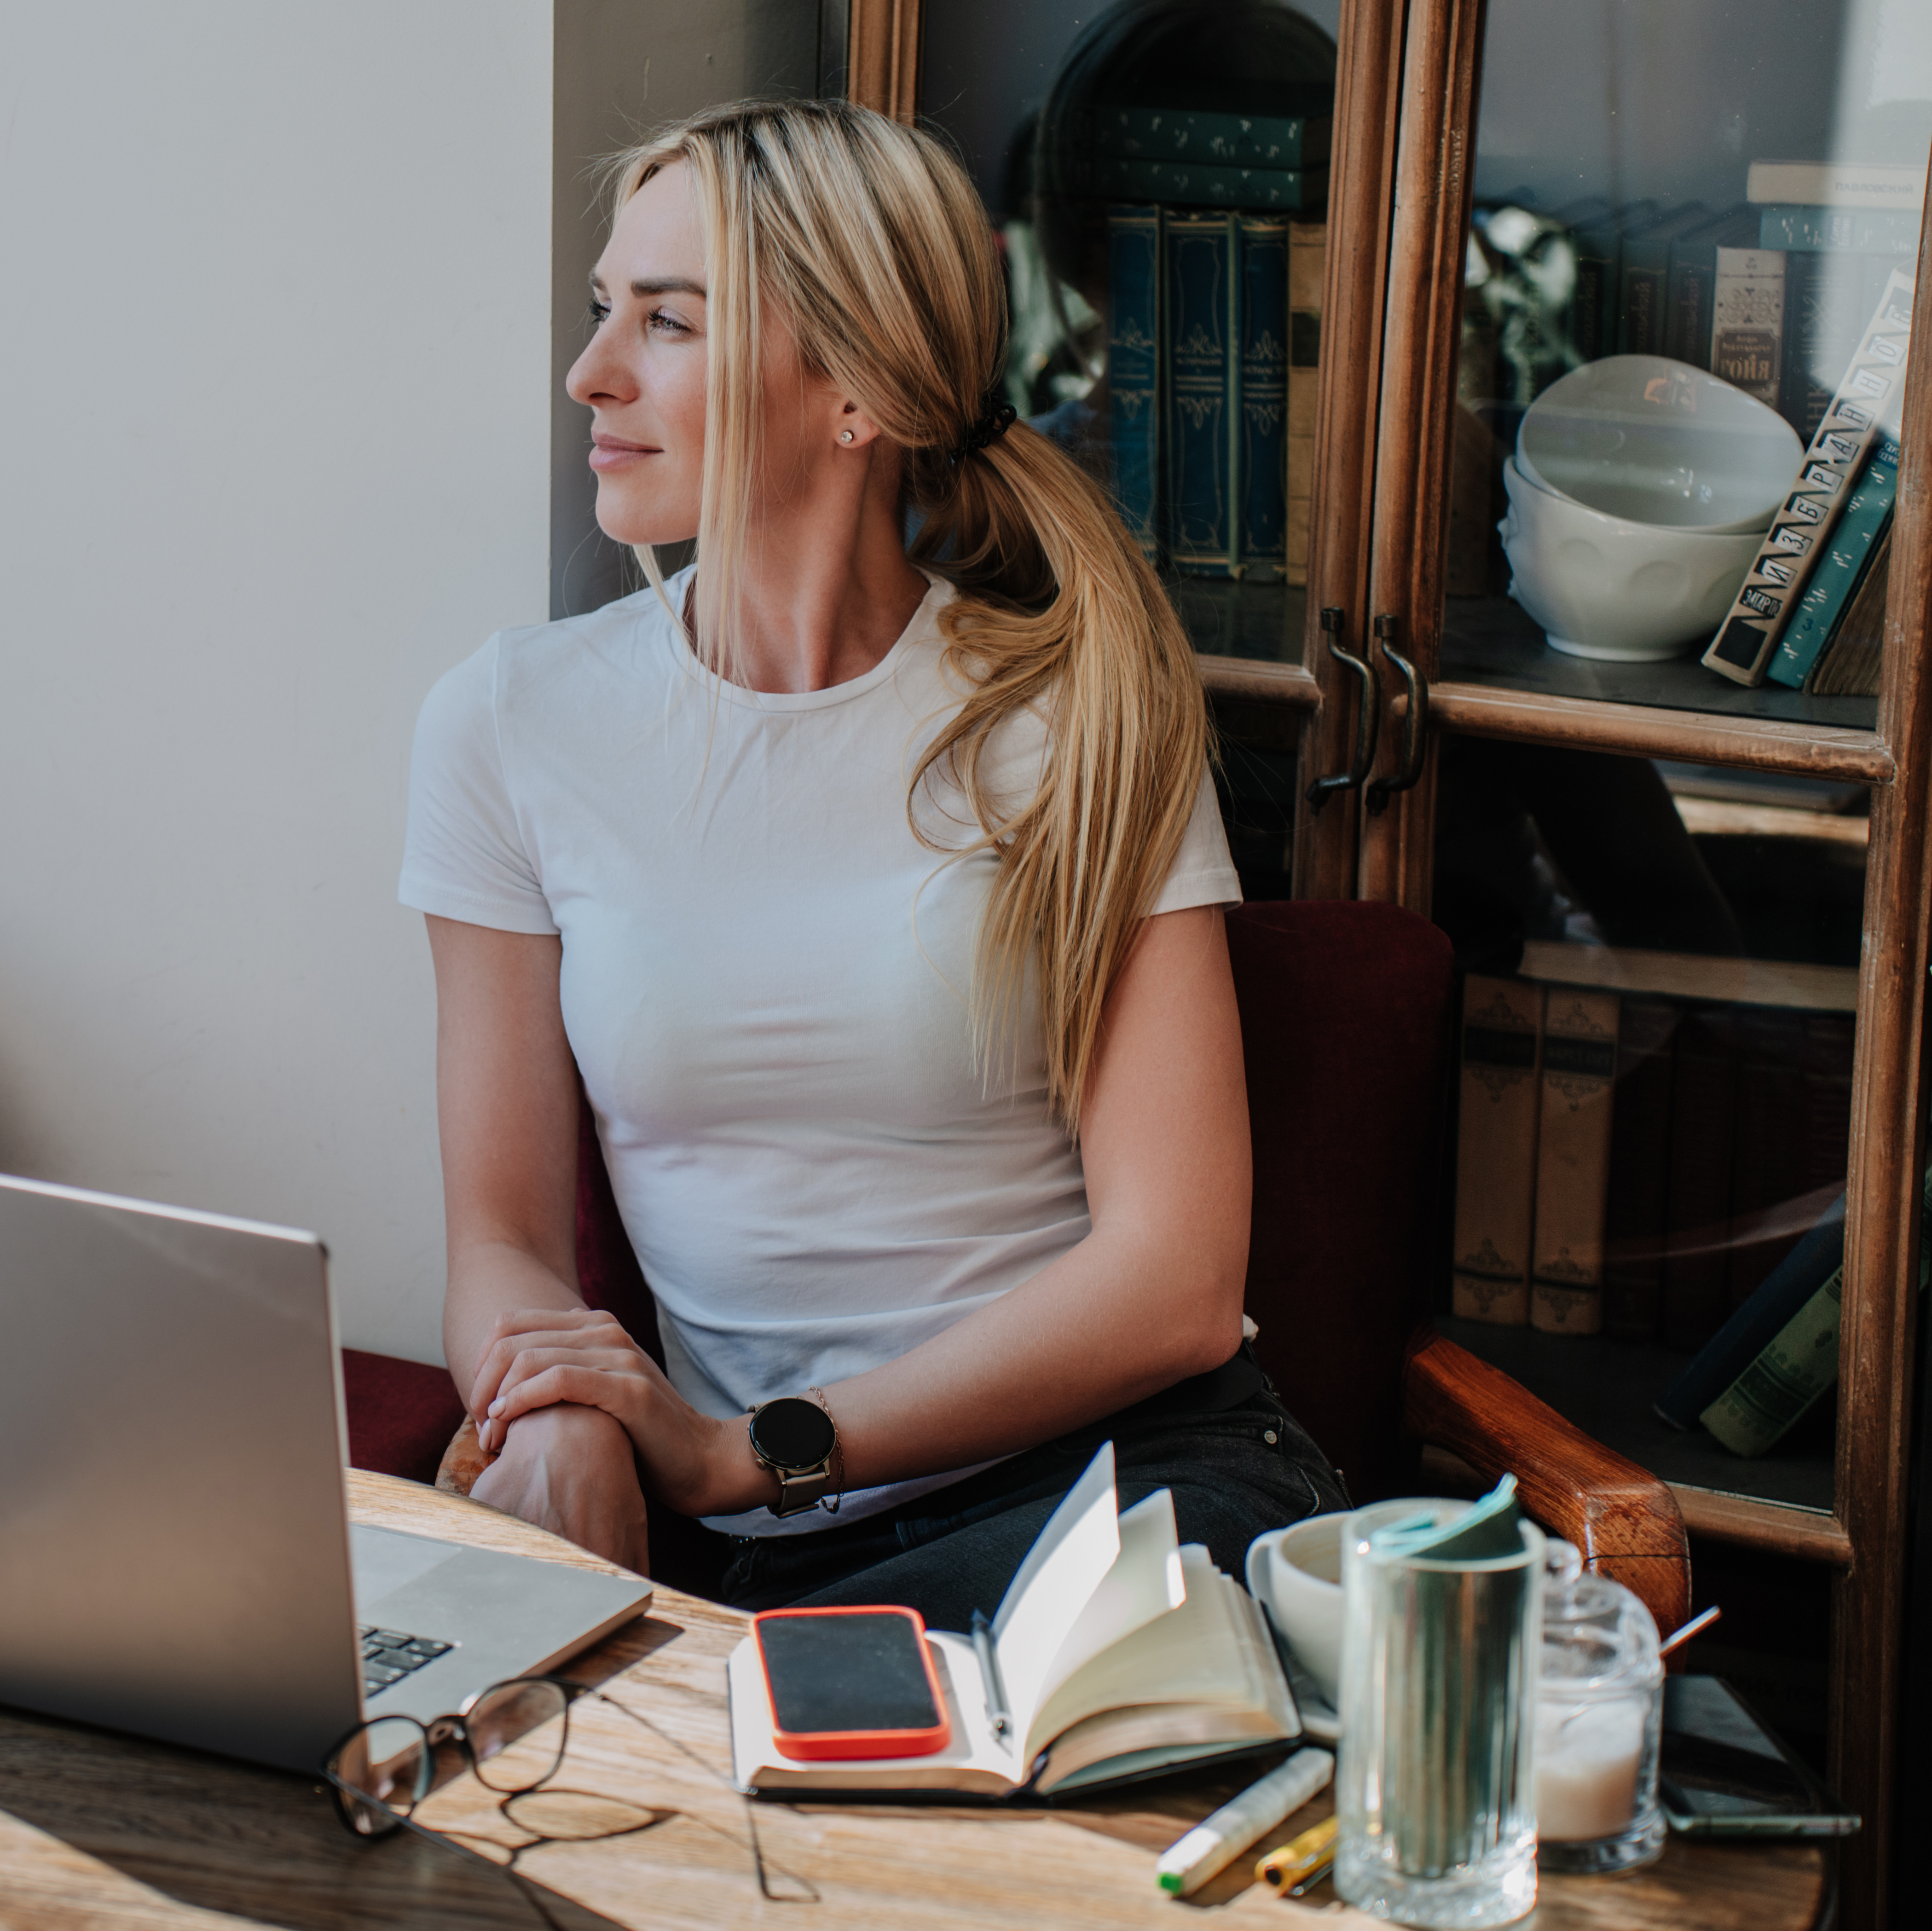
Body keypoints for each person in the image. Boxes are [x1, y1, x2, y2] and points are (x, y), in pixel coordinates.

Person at [398, 98, 1341, 1630]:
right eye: (601, 313)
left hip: (1120, 1496)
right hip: (767, 1561)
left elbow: (1175, 1277)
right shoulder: (510, 724)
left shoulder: (1077, 708)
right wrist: (559, 1407)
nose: (591, 372)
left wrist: (747, 1454)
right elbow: (499, 1238)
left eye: (669, 321)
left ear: (848, 390)